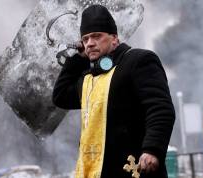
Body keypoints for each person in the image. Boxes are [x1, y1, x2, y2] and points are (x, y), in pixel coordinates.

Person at [52, 4, 175, 178]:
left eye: (97, 36)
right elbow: (60, 96)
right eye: (85, 39)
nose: (90, 43)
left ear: (114, 39)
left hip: (133, 171)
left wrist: (152, 149)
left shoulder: (138, 60)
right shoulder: (88, 79)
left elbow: (160, 108)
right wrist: (78, 59)